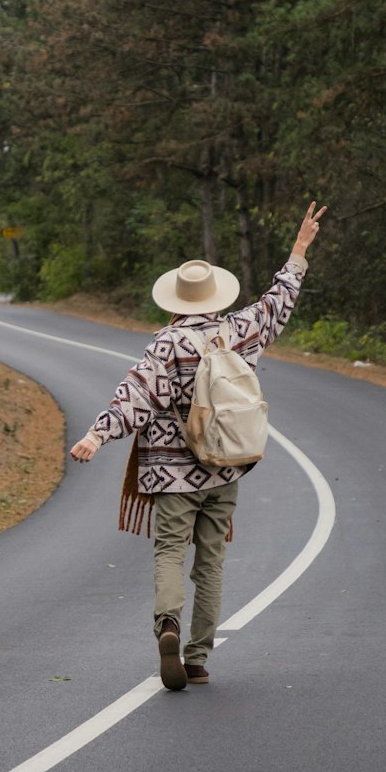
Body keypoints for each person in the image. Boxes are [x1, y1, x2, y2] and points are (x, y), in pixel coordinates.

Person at [70, 202, 326, 691]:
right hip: (226, 466)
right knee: (211, 562)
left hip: (170, 474)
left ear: (175, 300)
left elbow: (136, 396)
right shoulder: (238, 331)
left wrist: (96, 435)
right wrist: (298, 250)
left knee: (169, 551)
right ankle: (198, 657)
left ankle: (168, 624)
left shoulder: (166, 345)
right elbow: (277, 303)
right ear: (214, 296)